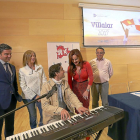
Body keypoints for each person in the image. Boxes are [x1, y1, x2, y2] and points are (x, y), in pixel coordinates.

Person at [19, 50, 47, 129]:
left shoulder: (40, 67)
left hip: (41, 95)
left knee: (43, 113)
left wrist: (42, 94)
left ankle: (42, 128)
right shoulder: (22, 70)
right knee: (33, 115)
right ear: (26, 57)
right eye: (31, 56)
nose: (33, 57)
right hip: (28, 97)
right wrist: (35, 96)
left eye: (34, 55)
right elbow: (23, 86)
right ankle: (33, 130)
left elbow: (44, 80)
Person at [0, 43, 22, 140]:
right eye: (6, 54)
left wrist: (16, 94)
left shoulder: (12, 67)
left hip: (12, 101)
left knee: (10, 126)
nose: (9, 56)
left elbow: (14, 83)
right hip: (0, 102)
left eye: (10, 54)